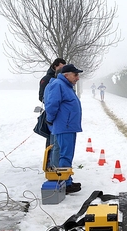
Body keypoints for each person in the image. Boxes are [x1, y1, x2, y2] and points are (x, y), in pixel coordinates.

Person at [45, 64, 83, 194]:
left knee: (67, 154)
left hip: (68, 126)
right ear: (66, 75)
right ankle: (65, 184)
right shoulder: (58, 85)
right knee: (65, 155)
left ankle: (67, 180)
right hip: (64, 126)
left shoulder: (66, 86)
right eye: (75, 75)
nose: (78, 78)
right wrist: (50, 120)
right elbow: (51, 105)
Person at [38, 58, 66, 147]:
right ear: (55, 66)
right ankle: (49, 159)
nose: (63, 69)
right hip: (51, 113)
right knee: (51, 139)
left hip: (59, 113)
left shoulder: (61, 78)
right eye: (61, 67)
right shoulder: (47, 79)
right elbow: (42, 96)